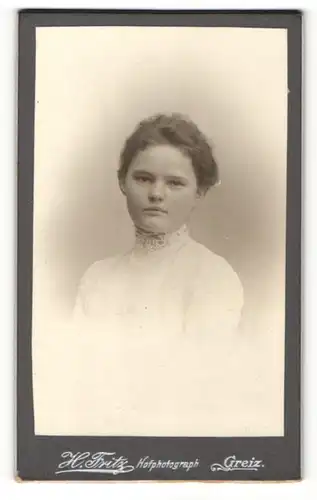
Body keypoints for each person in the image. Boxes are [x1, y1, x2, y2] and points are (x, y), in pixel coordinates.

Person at [73, 113, 243, 339]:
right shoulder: (96, 277)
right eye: (143, 179)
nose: (156, 194)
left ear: (199, 192)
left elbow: (201, 369)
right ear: (123, 182)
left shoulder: (213, 277)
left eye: (174, 183)